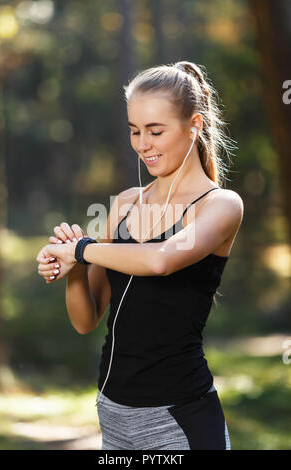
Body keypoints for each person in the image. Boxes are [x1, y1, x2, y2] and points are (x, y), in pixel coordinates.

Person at [36, 61, 244, 450]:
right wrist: (74, 270)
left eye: (155, 131)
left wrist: (81, 249)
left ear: (195, 125)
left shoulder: (220, 205)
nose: (142, 143)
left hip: (178, 420)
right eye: (135, 130)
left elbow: (161, 259)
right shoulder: (128, 204)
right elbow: (87, 319)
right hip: (113, 417)